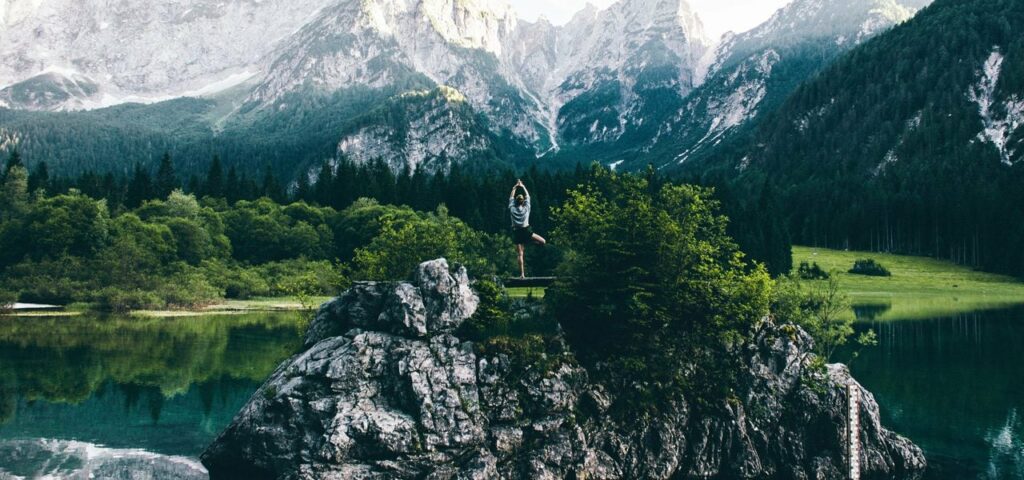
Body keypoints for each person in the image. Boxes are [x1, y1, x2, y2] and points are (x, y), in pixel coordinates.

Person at [509, 179, 546, 278]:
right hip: (527, 231)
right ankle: (529, 242)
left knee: (520, 254)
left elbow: (511, 197)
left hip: (517, 232)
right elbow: (528, 196)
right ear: (523, 202)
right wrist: (522, 186)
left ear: (515, 202)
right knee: (543, 242)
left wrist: (515, 187)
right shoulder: (526, 208)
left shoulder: (512, 208)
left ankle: (522, 274)